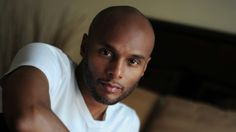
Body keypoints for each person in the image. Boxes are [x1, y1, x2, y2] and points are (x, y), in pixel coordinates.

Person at [0, 5, 155, 131]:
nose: (116, 72)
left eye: (133, 61)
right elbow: (28, 118)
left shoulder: (126, 122)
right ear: (84, 46)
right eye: (106, 53)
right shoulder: (46, 58)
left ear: (144, 68)